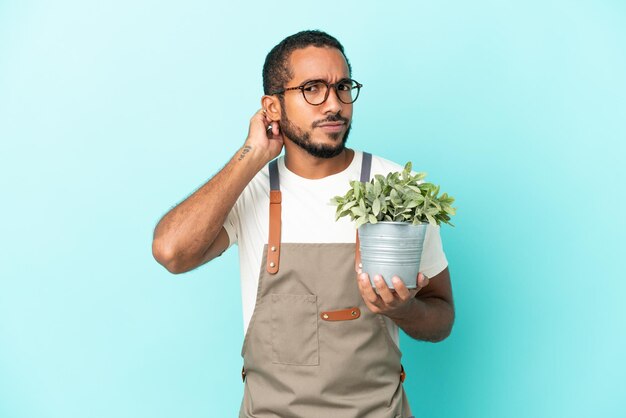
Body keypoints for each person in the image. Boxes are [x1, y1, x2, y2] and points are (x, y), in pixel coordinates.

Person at [152, 29, 454, 418]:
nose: (335, 104)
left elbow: (441, 317)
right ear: (272, 108)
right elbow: (171, 252)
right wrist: (251, 154)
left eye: (343, 86)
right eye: (313, 88)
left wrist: (402, 309)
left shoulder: (399, 189)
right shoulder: (250, 190)